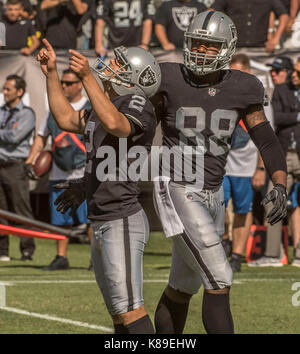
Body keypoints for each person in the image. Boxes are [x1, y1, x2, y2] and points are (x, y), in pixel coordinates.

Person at [151, 10, 287, 334]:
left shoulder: (245, 86)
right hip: (177, 185)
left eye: (210, 45)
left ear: (227, 48)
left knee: (182, 286)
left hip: (214, 191)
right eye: (196, 43)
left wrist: (279, 184)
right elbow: (136, 128)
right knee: (220, 277)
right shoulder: (168, 76)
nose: (200, 50)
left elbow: (266, 140)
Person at [36, 38, 161, 333]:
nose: (111, 65)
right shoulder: (103, 104)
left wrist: (87, 77)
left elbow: (116, 124)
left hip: (122, 217)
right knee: (119, 314)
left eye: (119, 63)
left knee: (131, 310)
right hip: (102, 217)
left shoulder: (136, 102)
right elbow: (66, 118)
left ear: (135, 76)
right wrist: (52, 73)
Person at [25, 68, 90, 271]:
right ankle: (61, 257)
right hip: (58, 173)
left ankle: (95, 259)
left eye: (69, 83)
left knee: (90, 221)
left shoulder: (91, 108)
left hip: (83, 174)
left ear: (80, 84)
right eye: (62, 82)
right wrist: (31, 160)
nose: (64, 86)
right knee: (61, 220)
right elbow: (41, 137)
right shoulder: (52, 109)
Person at [250, 56, 300, 268]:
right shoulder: (281, 90)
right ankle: (272, 254)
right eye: (294, 72)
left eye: (297, 72)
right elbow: (276, 118)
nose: (293, 76)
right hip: (285, 153)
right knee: (274, 197)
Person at [221, 53, 267, 273]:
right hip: (222, 163)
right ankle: (224, 239)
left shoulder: (259, 97)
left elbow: (266, 137)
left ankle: (237, 255)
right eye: (233, 72)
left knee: (242, 210)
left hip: (246, 165)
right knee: (217, 206)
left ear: (249, 72)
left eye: (240, 72)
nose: (236, 76)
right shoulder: (223, 94)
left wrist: (260, 167)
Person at [0, 74, 36, 262]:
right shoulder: (2, 111)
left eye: (8, 89)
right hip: (0, 163)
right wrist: (7, 132)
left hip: (15, 165)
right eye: (4, 89)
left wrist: (6, 133)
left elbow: (15, 137)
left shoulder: (27, 113)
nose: (4, 92)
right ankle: (2, 251)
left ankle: (27, 250)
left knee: (21, 209)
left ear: (19, 92)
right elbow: (9, 134)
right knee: (1, 210)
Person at [209, 0, 288, 53]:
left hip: (261, 50)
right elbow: (210, 11)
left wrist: (275, 39)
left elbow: (283, 15)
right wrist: (216, 36)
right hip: (233, 49)